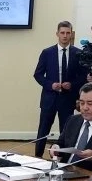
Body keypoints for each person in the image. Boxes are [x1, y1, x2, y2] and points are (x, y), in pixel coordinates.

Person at [32, 21, 84, 157]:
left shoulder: (78, 53)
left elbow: (82, 76)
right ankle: (38, 156)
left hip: (67, 99)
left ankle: (65, 158)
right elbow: (38, 74)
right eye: (62, 33)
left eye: (68, 33)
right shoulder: (47, 52)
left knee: (66, 130)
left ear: (71, 34)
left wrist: (72, 84)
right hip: (49, 98)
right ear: (57, 34)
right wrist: (50, 85)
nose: (65, 36)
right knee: (43, 129)